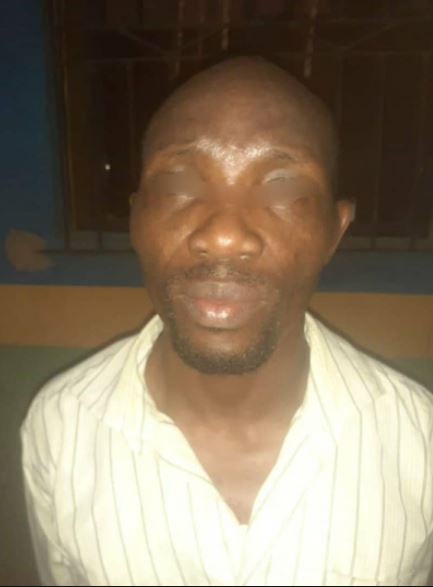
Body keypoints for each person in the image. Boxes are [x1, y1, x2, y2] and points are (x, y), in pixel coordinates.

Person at [21, 57, 433, 586]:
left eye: (282, 187)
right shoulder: (60, 426)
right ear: (136, 219)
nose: (222, 235)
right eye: (178, 183)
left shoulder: (418, 439)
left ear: (335, 231)